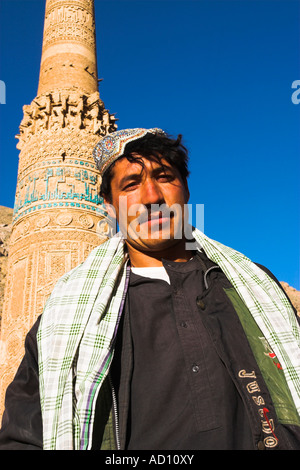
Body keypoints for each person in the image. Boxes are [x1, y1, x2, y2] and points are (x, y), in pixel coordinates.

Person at [0, 128, 299, 451]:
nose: (152, 197)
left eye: (164, 177)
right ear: (110, 207)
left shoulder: (249, 286)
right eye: (131, 184)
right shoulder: (66, 318)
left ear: (185, 189)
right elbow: (24, 436)